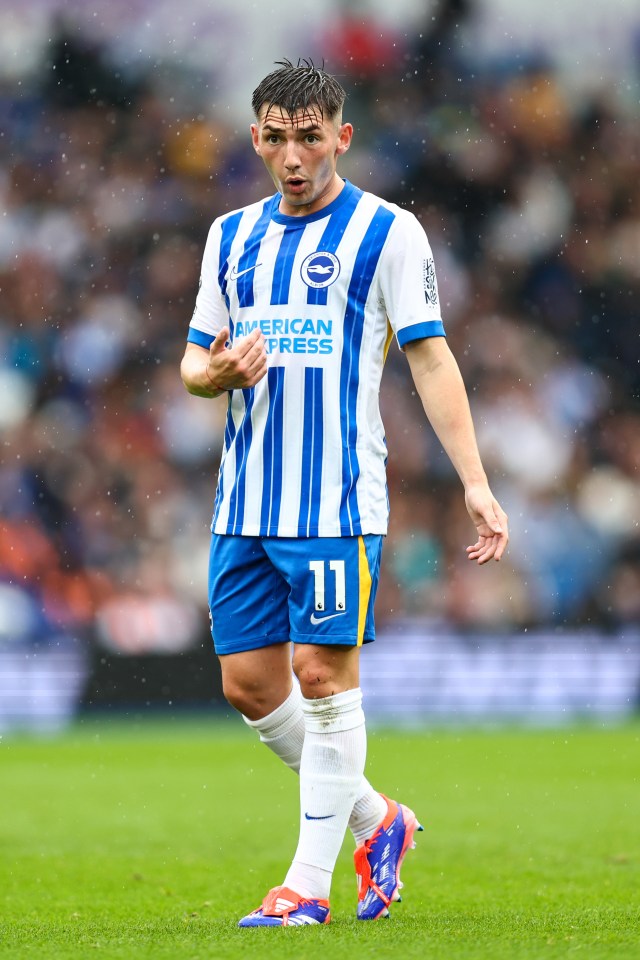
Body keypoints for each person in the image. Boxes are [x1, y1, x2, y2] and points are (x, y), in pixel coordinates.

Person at [180, 59, 509, 928]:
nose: (295, 156)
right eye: (278, 139)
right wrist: (213, 374)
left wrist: (476, 482)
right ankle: (379, 820)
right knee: (250, 686)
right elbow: (192, 363)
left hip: (333, 499)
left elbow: (430, 357)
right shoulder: (229, 237)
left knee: (322, 676)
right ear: (256, 138)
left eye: (311, 137)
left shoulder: (389, 233)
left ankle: (305, 888)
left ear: (342, 137)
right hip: (245, 500)